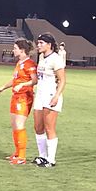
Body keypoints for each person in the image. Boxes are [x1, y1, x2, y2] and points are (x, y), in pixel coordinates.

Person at [0, 39, 38, 165]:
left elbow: (35, 80)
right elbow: (15, 80)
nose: (13, 50)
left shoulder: (30, 64)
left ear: (22, 50)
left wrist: (23, 85)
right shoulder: (20, 63)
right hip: (15, 96)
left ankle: (22, 157)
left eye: (15, 48)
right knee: (14, 125)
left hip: (24, 97)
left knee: (19, 125)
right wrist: (3, 87)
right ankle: (17, 152)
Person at [32, 33, 67, 168]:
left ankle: (51, 159)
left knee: (49, 128)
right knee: (38, 127)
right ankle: (42, 156)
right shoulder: (41, 57)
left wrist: (56, 96)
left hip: (51, 95)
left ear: (49, 45)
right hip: (40, 95)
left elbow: (63, 80)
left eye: (41, 43)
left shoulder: (56, 59)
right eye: (38, 43)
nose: (38, 45)